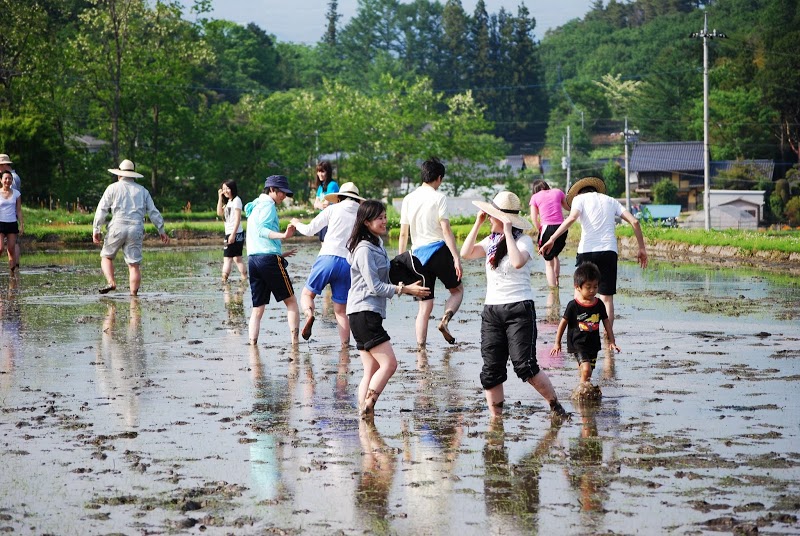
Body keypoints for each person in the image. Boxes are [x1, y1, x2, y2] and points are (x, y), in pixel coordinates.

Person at [460, 191, 569, 421]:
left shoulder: (523, 241)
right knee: (492, 370)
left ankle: (554, 404)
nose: (489, 218)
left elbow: (518, 262)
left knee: (525, 366)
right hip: (492, 311)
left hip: (519, 310)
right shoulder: (489, 240)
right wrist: (478, 223)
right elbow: (465, 253)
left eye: (492, 216)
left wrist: (508, 232)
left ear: (505, 219)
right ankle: (495, 420)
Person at [346, 200, 429, 418]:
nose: (384, 221)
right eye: (379, 218)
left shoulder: (376, 243)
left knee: (371, 370)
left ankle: (364, 417)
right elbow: (375, 286)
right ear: (366, 222)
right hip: (364, 312)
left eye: (384, 216)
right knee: (390, 364)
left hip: (364, 312)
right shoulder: (364, 249)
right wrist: (406, 289)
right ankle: (369, 404)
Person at [539, 176, 648, 332]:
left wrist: (551, 239)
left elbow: (572, 218)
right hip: (609, 251)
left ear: (579, 192)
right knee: (607, 298)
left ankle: (580, 331)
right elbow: (635, 222)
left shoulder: (579, 199)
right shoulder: (611, 201)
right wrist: (642, 248)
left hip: (587, 251)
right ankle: (608, 338)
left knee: (579, 292)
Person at [397, 157, 463, 348]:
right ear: (439, 178)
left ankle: (420, 349)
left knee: (424, 306)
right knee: (457, 291)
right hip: (438, 251)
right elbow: (446, 230)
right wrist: (456, 258)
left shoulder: (408, 199)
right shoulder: (439, 197)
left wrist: (403, 263)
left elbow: (403, 233)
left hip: (417, 256)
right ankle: (444, 321)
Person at [290, 182, 365, 347]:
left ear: (339, 197)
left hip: (327, 258)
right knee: (341, 311)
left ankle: (310, 314)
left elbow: (310, 230)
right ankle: (345, 347)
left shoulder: (332, 209)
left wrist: (296, 223)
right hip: (348, 263)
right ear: (357, 199)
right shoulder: (361, 214)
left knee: (307, 295)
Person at [92, 159, 169, 295]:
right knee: (134, 265)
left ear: (119, 174)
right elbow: (153, 211)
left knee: (107, 257)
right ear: (133, 174)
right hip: (136, 228)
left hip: (117, 226)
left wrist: (96, 229)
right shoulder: (143, 191)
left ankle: (111, 282)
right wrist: (161, 230)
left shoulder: (112, 188)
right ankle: (134, 296)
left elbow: (102, 209)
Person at [549, 262, 619, 400]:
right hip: (578, 344)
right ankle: (580, 395)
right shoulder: (573, 305)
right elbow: (563, 323)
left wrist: (612, 341)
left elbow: (606, 322)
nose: (593, 290)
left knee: (588, 372)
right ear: (577, 287)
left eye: (595, 287)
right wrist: (557, 342)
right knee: (586, 369)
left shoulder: (599, 304)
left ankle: (583, 392)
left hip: (593, 344)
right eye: (588, 287)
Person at [244, 175, 298, 346]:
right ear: (272, 190)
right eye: (282, 192)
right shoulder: (268, 206)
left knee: (257, 308)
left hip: (254, 259)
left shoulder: (255, 206)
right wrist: (284, 235)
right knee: (291, 302)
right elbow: (263, 231)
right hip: (268, 259)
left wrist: (280, 253)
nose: (284, 196)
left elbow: (259, 240)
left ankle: (253, 345)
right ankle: (295, 344)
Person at [529, 179, 569, 289]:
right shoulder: (558, 192)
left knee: (548, 262)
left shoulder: (535, 197)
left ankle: (553, 289)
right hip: (562, 227)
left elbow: (533, 218)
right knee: (555, 255)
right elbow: (568, 207)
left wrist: (539, 229)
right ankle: (557, 280)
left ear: (535, 190)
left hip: (547, 228)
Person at [216, 179, 248, 282]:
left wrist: (233, 234)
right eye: (223, 189)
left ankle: (224, 281)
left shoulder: (236, 200)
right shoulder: (229, 202)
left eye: (227, 188)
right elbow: (219, 213)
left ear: (233, 189)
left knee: (229, 258)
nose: (225, 191)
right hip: (229, 233)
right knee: (236, 258)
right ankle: (244, 278)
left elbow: (238, 219)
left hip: (235, 233)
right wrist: (220, 198)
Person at [0, 154, 22, 269]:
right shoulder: (15, 176)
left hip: (10, 216)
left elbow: (13, 197)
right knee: (11, 245)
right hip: (7, 217)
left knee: (12, 245)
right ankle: (14, 267)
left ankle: (14, 266)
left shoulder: (11, 178)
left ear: (3, 165)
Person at [312, 161, 339, 242]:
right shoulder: (321, 187)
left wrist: (319, 204)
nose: (320, 174)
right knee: (322, 242)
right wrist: (320, 205)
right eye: (318, 171)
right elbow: (315, 204)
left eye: (322, 171)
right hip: (322, 219)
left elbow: (325, 205)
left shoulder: (332, 185)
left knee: (327, 243)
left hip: (330, 220)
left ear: (328, 172)